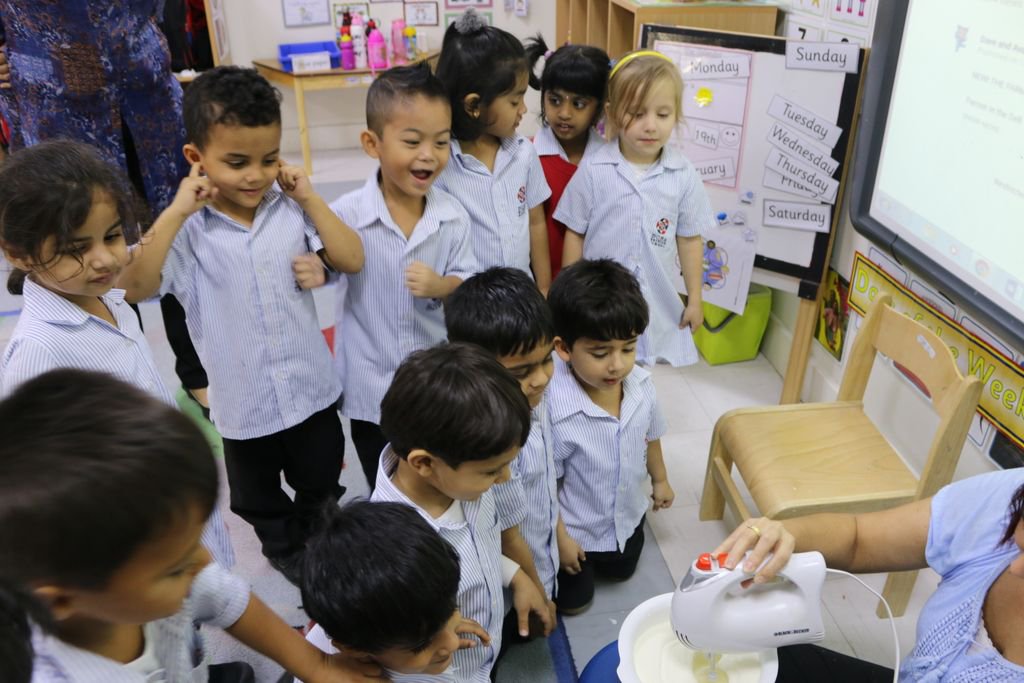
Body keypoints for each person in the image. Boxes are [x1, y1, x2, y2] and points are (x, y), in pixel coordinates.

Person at [117, 65, 365, 585]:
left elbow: (351, 258)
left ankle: (321, 536)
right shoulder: (188, 232)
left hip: (310, 390)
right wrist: (176, 212)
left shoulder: (291, 211)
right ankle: (283, 547)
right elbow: (134, 288)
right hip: (244, 404)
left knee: (321, 479)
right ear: (196, 158)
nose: (254, 175)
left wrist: (311, 199)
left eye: (268, 159)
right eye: (236, 162)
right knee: (256, 497)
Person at [0, 369, 380, 682]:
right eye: (175, 567)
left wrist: (314, 664)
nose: (204, 561)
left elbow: (222, 596)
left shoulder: (140, 583)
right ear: (61, 600)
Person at [0, 139, 233, 569]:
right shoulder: (39, 352)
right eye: (75, 250)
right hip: (128, 541)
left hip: (170, 504)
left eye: (112, 236)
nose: (104, 259)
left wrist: (180, 207)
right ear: (19, 254)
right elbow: (29, 478)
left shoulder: (109, 299)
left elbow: (138, 270)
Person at [0, 1, 214, 416]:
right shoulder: (33, 354)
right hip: (58, 102)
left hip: (145, 93)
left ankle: (195, 373)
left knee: (171, 236)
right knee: (83, 231)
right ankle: (118, 392)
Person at [716, 468, 1024, 682]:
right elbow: (858, 539)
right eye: (1019, 546)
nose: (1015, 568)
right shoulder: (1004, 498)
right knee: (747, 658)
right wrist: (784, 534)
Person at [330, 63, 476, 488]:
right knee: (383, 478)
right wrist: (311, 268)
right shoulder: (347, 214)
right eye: (412, 141)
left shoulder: (452, 217)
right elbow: (324, 267)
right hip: (368, 382)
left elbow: (467, 282)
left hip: (432, 384)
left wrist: (442, 285)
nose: (428, 154)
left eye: (442, 142)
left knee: (431, 472)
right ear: (372, 143)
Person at [372, 343, 555, 681]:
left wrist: (515, 575)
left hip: (485, 648)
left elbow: (480, 547)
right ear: (424, 463)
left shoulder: (460, 481)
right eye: (492, 471)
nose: (505, 478)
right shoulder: (390, 555)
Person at [555, 50, 714, 367]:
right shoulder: (595, 168)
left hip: (655, 299)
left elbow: (689, 239)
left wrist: (695, 299)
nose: (650, 126)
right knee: (601, 360)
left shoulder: (682, 174)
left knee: (642, 365)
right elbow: (575, 231)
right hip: (599, 299)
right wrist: (568, 293)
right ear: (613, 113)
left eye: (663, 115)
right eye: (637, 114)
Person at [546, 259, 675, 614]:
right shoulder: (554, 409)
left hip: (627, 516)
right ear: (564, 348)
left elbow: (651, 437)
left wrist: (660, 480)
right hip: (576, 530)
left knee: (623, 573)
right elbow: (545, 485)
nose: (617, 365)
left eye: (628, 348)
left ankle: (622, 543)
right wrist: (561, 538)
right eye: (600, 353)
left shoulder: (642, 387)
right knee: (574, 604)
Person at [445, 267, 561, 612]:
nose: (540, 379)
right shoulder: (487, 444)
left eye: (547, 360)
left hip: (544, 548)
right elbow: (507, 536)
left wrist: (562, 536)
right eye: (520, 373)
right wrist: (539, 594)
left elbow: (547, 484)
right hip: (508, 581)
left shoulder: (534, 400)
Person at [300, 501, 492, 681]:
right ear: (356, 651)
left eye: (452, 609)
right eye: (421, 645)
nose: (451, 643)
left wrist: (439, 623)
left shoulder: (397, 622)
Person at [434, 9, 552, 293]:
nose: (524, 109)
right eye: (515, 101)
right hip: (470, 307)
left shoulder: (524, 153)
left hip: (522, 298)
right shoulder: (442, 164)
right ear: (474, 106)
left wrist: (545, 291)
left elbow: (536, 223)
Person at [523, 36, 609, 279]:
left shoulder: (610, 160)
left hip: (591, 291)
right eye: (555, 100)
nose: (564, 113)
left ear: (600, 106)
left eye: (579, 104)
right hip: (537, 285)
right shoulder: (526, 155)